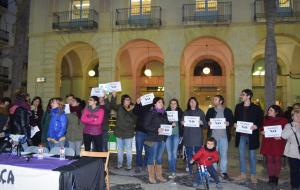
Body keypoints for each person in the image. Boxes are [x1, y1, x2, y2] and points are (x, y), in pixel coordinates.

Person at [234, 89, 263, 183]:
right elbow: (235, 119)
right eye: (241, 94)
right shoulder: (238, 107)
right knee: (241, 155)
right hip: (241, 135)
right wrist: (235, 124)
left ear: (249, 96)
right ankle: (242, 174)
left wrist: (256, 126)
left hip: (252, 135)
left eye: (243, 94)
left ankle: (253, 175)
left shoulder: (256, 108)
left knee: (252, 156)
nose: (241, 96)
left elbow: (260, 120)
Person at [205, 95, 234, 180]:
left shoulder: (227, 111)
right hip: (213, 138)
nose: (214, 100)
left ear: (221, 101)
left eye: (216, 99)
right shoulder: (210, 110)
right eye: (214, 99)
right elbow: (206, 120)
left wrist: (228, 123)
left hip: (224, 137)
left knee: (224, 155)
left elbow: (231, 121)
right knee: (213, 155)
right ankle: (213, 171)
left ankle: (223, 171)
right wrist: (208, 123)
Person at [260, 105, 288, 186]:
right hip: (268, 142)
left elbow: (286, 131)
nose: (268, 111)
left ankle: (276, 178)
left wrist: (281, 136)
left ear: (276, 112)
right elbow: (262, 128)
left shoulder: (283, 120)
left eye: (271, 110)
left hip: (278, 143)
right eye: (269, 110)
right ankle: (271, 177)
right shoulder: (265, 119)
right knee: (269, 160)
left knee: (277, 160)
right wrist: (262, 132)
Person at [144, 97, 169, 183]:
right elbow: (146, 125)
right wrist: (156, 129)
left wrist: (170, 125)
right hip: (153, 138)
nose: (161, 103)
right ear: (154, 104)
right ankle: (151, 176)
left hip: (162, 139)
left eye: (162, 102)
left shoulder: (164, 113)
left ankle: (159, 175)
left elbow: (165, 125)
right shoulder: (151, 113)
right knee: (152, 158)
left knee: (159, 158)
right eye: (159, 102)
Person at [182, 97, 208, 176]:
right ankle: (190, 170)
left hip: (198, 137)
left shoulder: (201, 112)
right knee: (189, 155)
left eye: (193, 102)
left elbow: (206, 125)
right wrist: (182, 123)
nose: (192, 103)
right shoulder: (185, 112)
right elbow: (182, 123)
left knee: (198, 155)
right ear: (189, 103)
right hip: (188, 137)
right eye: (190, 102)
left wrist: (202, 123)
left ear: (196, 103)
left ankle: (198, 170)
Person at [111, 93, 137, 170]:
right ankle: (119, 164)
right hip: (119, 132)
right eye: (127, 99)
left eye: (129, 99)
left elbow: (134, 120)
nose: (128, 101)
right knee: (120, 150)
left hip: (128, 132)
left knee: (128, 150)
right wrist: (113, 96)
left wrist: (130, 110)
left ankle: (129, 165)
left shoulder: (133, 109)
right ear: (123, 100)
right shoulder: (119, 107)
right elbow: (112, 105)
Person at [282, 108, 300, 190]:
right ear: (292, 117)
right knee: (294, 170)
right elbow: (284, 136)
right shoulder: (289, 125)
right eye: (297, 116)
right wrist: (294, 128)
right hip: (293, 152)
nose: (299, 117)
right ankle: (295, 186)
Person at [132, 97, 152, 173]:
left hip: (149, 132)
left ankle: (146, 165)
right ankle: (138, 165)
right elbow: (134, 112)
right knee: (139, 150)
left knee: (148, 150)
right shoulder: (140, 105)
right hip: (140, 131)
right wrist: (137, 103)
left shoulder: (152, 107)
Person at [165, 98, 183, 178]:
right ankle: (170, 170)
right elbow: (163, 122)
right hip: (168, 135)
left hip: (176, 135)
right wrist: (169, 123)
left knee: (174, 153)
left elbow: (182, 123)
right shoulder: (166, 112)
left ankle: (173, 171)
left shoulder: (180, 112)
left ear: (177, 104)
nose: (173, 105)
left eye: (174, 103)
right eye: (171, 103)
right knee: (169, 154)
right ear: (169, 104)